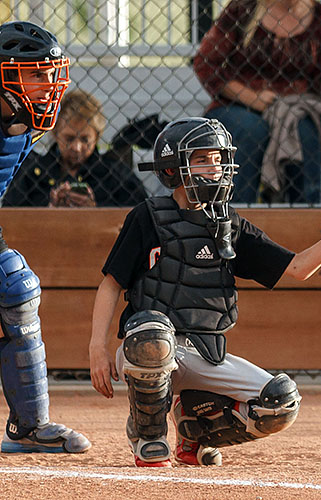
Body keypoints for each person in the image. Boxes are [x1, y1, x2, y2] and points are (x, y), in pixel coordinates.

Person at [88, 117, 321, 467]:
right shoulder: (148, 217)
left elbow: (299, 267)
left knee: (279, 403)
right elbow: (111, 283)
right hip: (147, 347)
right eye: (202, 159)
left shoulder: (230, 225)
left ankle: (193, 430)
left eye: (218, 158)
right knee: (153, 336)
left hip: (205, 353)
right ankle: (149, 433)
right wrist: (98, 347)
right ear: (173, 168)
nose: (215, 168)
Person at [0, 21, 91, 453]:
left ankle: (31, 426)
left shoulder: (23, 124)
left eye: (50, 73)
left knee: (16, 288)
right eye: (35, 74)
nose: (48, 84)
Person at [193, 0, 321, 205]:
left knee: (305, 132)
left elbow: (318, 83)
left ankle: (305, 220)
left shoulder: (320, 17)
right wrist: (252, 98)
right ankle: (236, 218)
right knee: (252, 131)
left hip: (292, 109)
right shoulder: (243, 8)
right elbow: (206, 64)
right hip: (236, 105)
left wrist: (314, 116)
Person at [3, 89, 147, 207]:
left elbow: (139, 219)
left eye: (85, 139)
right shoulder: (31, 173)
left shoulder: (116, 174)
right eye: (69, 138)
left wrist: (95, 211)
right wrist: (49, 211)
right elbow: (10, 218)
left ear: (96, 137)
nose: (77, 148)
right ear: (55, 133)